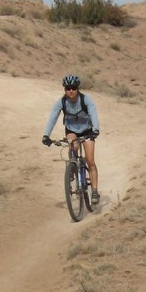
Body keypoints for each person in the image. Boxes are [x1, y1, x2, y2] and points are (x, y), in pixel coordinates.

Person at [42, 74, 100, 205]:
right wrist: (46, 135)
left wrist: (96, 129)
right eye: (68, 88)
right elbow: (53, 117)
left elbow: (93, 113)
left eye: (73, 88)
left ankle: (95, 191)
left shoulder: (86, 99)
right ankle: (72, 167)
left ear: (78, 88)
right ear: (65, 90)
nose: (71, 91)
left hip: (87, 130)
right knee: (72, 145)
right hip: (72, 131)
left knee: (90, 160)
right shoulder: (61, 102)